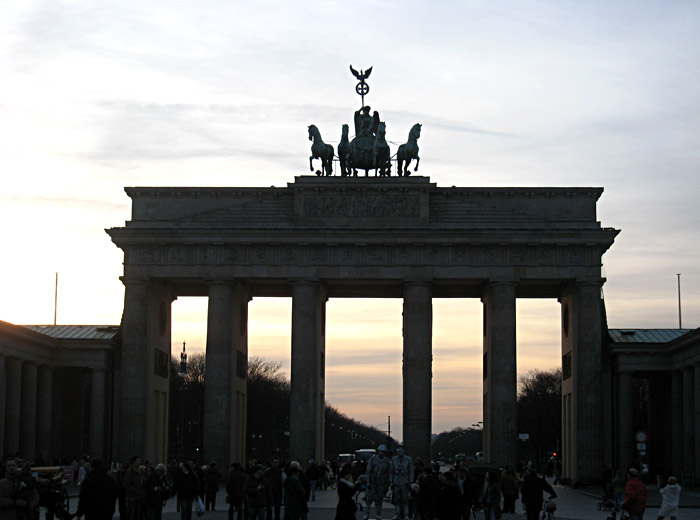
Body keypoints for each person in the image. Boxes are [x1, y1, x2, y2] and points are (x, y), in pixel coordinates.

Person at [364, 445, 392, 520]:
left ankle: (378, 514)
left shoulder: (387, 461)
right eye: (381, 451)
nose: (382, 453)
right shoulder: (373, 459)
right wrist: (368, 481)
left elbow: (388, 473)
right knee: (369, 499)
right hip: (373, 482)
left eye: (383, 452)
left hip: (381, 483)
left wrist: (387, 483)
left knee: (380, 499)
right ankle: (366, 513)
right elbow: (369, 471)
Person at [391, 444, 414, 520]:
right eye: (398, 449)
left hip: (405, 481)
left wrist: (410, 481)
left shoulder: (408, 459)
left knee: (405, 498)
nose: (400, 451)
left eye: (401, 449)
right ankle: (397, 513)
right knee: (397, 499)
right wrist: (391, 481)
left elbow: (411, 470)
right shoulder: (394, 459)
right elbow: (391, 471)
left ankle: (406, 514)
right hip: (396, 480)